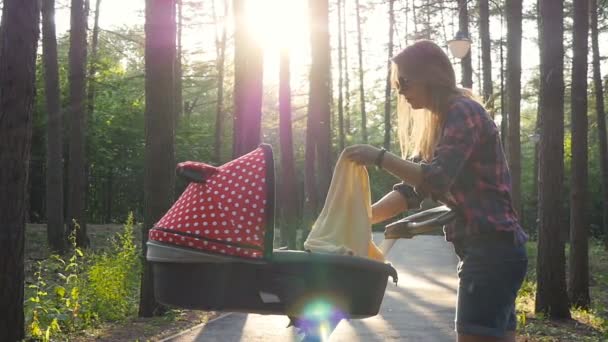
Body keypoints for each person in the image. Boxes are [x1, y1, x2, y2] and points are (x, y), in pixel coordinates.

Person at [343, 40, 529, 342]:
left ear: (430, 75)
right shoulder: (441, 124)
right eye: (396, 84)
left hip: (492, 252)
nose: (400, 90)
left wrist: (379, 157)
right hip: (491, 252)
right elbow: (410, 191)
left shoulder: (463, 111)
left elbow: (436, 179)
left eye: (404, 81)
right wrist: (361, 218)